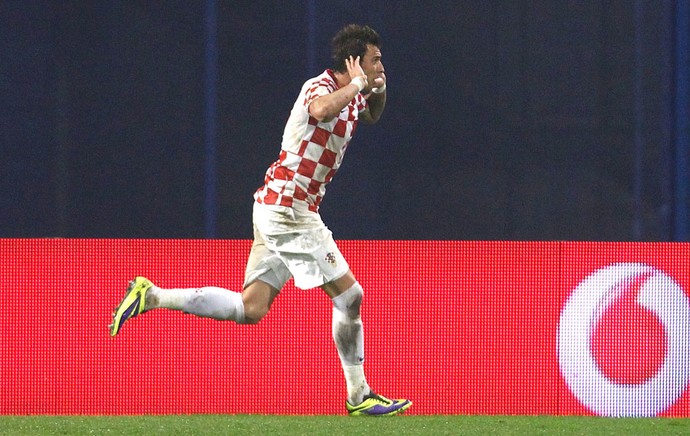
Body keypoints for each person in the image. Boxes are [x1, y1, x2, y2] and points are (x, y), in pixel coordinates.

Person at [110, 24, 411, 416]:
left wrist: (378, 90)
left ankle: (151, 295)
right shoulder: (318, 88)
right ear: (353, 63)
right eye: (375, 59)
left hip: (279, 208)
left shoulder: (351, 95)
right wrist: (357, 86)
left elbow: (370, 114)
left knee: (250, 309)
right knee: (350, 295)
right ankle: (359, 396)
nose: (380, 64)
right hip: (290, 213)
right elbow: (322, 110)